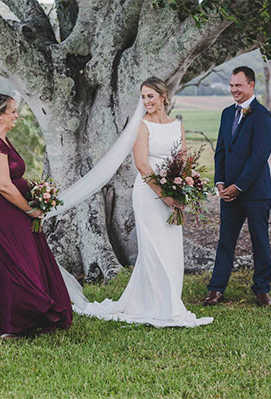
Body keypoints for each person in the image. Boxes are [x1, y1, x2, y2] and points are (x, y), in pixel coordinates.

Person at [75, 78, 212, 327]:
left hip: (174, 192)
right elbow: (142, 164)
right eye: (144, 97)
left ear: (163, 96)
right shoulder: (142, 126)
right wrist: (165, 194)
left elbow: (182, 161)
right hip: (149, 194)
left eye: (151, 96)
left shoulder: (177, 125)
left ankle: (171, 301)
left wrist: (182, 192)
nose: (147, 101)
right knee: (153, 249)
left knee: (171, 248)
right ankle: (155, 305)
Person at [0, 93, 73, 337]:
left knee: (27, 261)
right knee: (12, 264)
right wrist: (30, 208)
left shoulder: (4, 140)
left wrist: (38, 194)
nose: (17, 115)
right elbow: (3, 185)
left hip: (13, 211)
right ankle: (13, 323)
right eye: (13, 111)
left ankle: (30, 315)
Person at [204, 66, 271, 307]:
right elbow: (221, 150)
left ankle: (262, 289)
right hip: (229, 194)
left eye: (239, 85)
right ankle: (216, 289)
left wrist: (239, 186)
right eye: (232, 85)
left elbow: (259, 157)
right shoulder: (226, 114)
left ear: (251, 85)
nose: (234, 89)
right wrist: (221, 182)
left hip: (256, 193)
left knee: (259, 241)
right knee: (225, 240)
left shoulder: (262, 115)